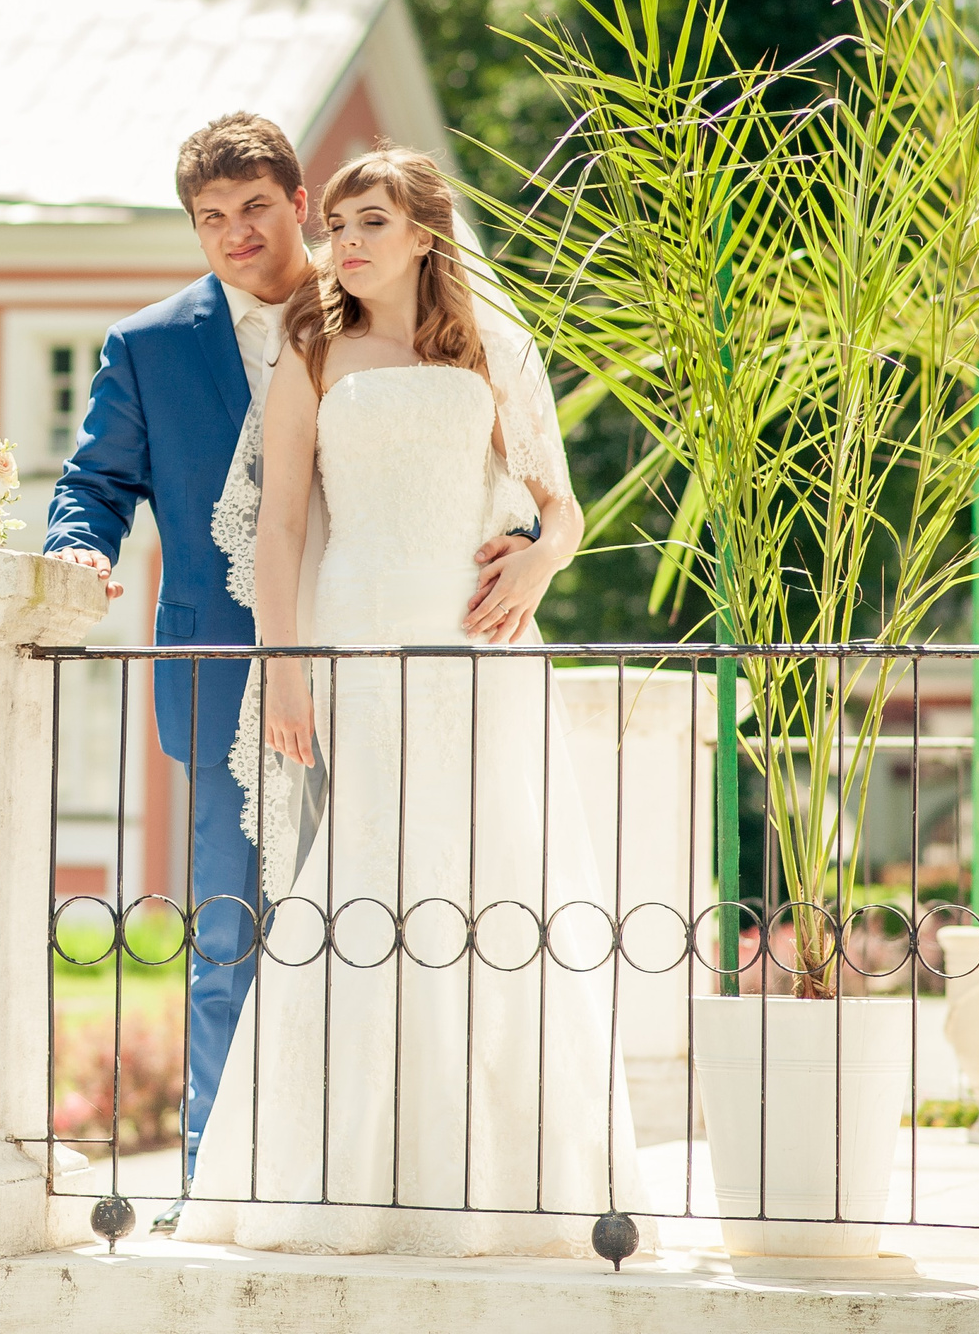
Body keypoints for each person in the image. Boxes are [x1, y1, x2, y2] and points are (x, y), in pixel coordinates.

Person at [43, 116, 531, 1223]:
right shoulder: (149, 346)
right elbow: (94, 482)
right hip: (229, 668)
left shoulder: (389, 311)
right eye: (210, 220)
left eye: (254, 209)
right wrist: (77, 548)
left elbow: (515, 464)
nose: (235, 235)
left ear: (297, 202)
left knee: (404, 902)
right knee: (233, 922)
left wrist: (541, 551)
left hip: (396, 645)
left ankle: (399, 1165)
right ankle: (223, 1177)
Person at [174, 145, 642, 1255]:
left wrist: (538, 562)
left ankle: (495, 1185)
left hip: (475, 643)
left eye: (370, 221)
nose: (346, 242)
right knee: (369, 881)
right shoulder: (314, 350)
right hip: (358, 640)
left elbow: (557, 504)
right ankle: (340, 1175)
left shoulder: (493, 347)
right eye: (338, 225)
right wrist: (285, 668)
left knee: (492, 879)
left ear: (426, 233)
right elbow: (281, 525)